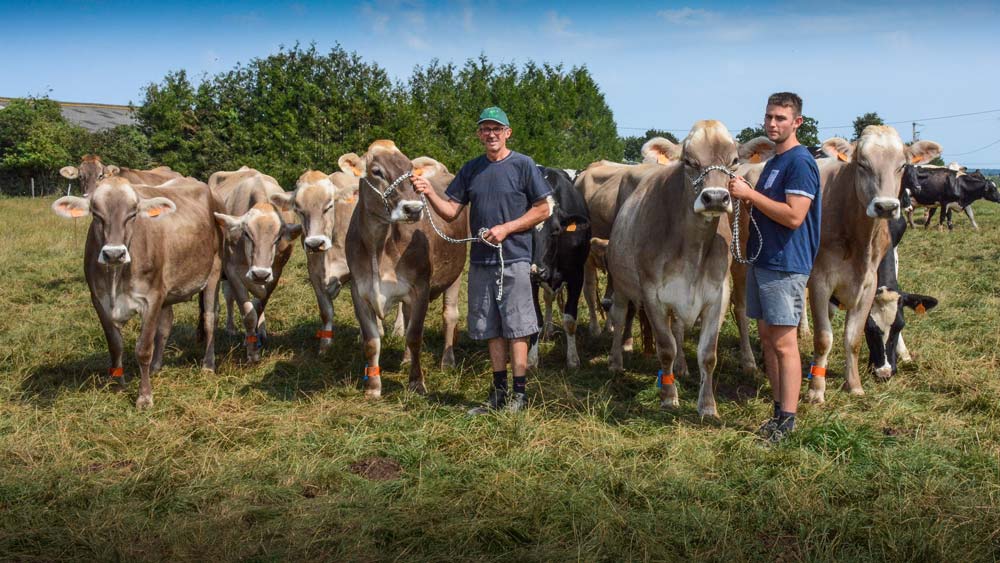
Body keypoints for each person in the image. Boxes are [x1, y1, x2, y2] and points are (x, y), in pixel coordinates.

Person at [413, 106, 551, 414]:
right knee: (491, 327)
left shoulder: (523, 165)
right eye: (485, 129)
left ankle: (519, 395)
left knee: (516, 327)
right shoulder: (471, 169)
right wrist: (427, 192)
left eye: (496, 129)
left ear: (507, 133)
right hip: (481, 261)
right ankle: (498, 393)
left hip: (514, 258)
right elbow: (450, 210)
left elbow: (543, 209)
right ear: (479, 134)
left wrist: (507, 228)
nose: (491, 134)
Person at [728, 92, 821, 444]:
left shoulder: (800, 162)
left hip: (785, 264)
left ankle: (788, 422)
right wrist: (746, 201)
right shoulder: (773, 164)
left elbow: (795, 216)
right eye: (769, 117)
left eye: (781, 118)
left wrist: (750, 197)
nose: (772, 124)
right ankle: (778, 411)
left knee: (785, 344)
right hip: (762, 260)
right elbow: (768, 209)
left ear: (797, 122)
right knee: (767, 339)